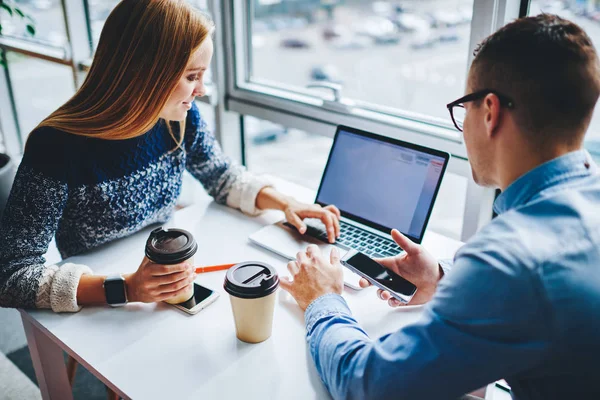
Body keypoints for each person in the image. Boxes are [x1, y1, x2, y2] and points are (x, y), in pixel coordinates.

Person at [280, 14, 600, 400]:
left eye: (463, 109)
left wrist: (322, 299)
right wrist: (444, 282)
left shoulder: (510, 259)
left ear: (489, 112)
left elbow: (367, 386)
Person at [0, 0, 341, 313]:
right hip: (100, 298)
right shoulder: (55, 146)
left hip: (164, 277)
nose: (202, 90)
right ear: (146, 73)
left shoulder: (177, 118)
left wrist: (285, 204)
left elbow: (221, 176)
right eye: (193, 76)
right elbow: (10, 276)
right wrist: (127, 288)